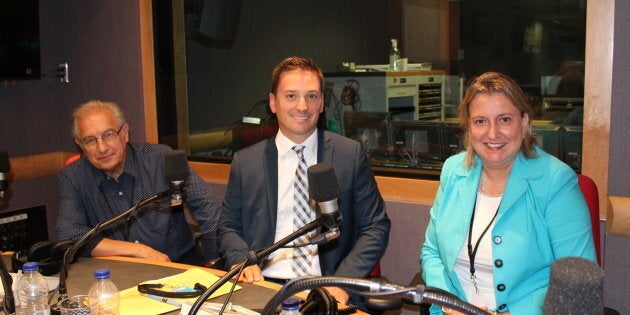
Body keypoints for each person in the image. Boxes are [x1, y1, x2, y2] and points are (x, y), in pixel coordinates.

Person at [218, 56, 391, 307]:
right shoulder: (246, 162)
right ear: (272, 102)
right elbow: (228, 225)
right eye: (291, 96)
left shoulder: (349, 155)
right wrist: (240, 260)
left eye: (311, 96)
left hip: (327, 288)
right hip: (263, 285)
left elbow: (376, 226)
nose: (302, 106)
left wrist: (342, 281)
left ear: (321, 103)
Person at [420, 72, 596, 314]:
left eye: (504, 119)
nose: (492, 134)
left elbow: (579, 284)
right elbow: (431, 252)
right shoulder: (453, 170)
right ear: (468, 127)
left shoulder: (555, 182)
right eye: (480, 121)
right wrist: (449, 303)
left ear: (524, 122)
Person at [56, 100, 220, 266]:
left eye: (109, 135)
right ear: (80, 144)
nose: (102, 148)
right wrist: (139, 251)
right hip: (116, 273)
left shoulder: (160, 158)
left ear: (125, 133)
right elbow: (69, 235)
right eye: (90, 140)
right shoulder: (73, 177)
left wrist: (214, 261)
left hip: (178, 264)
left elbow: (209, 208)